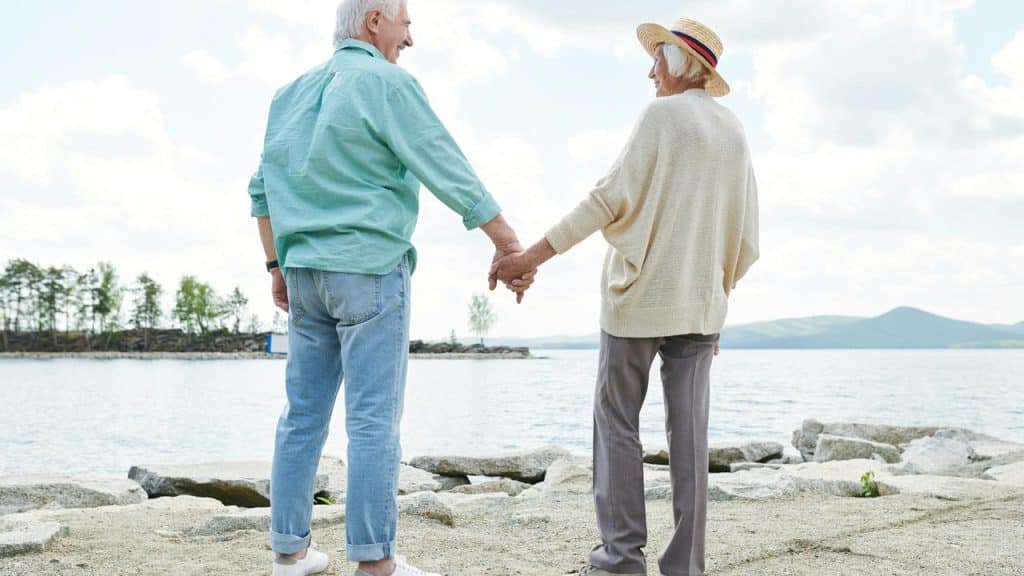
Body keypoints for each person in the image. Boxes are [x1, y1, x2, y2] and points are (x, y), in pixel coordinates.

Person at [248, 1, 529, 574]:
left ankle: (288, 552)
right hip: (368, 269)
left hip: (304, 276)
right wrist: (506, 243)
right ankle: (375, 563)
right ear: (375, 19)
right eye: (406, 22)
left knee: (302, 415)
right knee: (373, 420)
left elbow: (260, 192)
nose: (411, 37)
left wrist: (276, 265)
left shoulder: (289, 94)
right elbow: (444, 164)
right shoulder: (387, 82)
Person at [492, 17, 759, 576]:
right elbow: (744, 232)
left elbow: (605, 200)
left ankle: (621, 557)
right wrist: (718, 298)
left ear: (682, 63)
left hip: (638, 301)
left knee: (617, 422)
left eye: (657, 59)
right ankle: (685, 564)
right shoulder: (733, 130)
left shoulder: (662, 116)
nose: (650, 69)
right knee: (690, 436)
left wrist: (528, 259)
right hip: (702, 308)